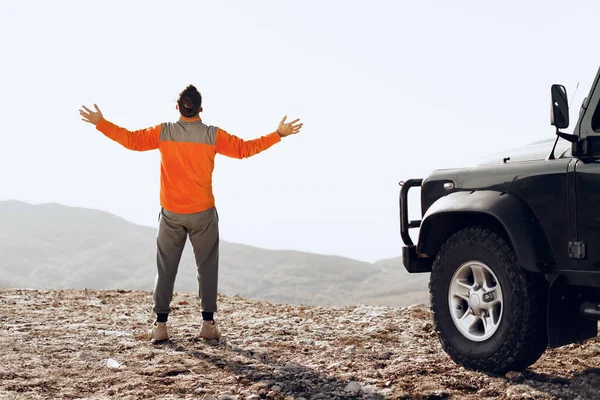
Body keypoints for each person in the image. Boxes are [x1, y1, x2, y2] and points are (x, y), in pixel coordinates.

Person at [79, 85, 303, 342]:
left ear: (177, 108)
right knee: (207, 268)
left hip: (171, 214)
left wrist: (101, 123)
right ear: (201, 109)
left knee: (165, 269)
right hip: (203, 214)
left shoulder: (163, 132)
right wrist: (278, 134)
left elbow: (130, 140)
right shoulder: (212, 135)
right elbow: (244, 149)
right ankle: (208, 325)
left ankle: (161, 326)